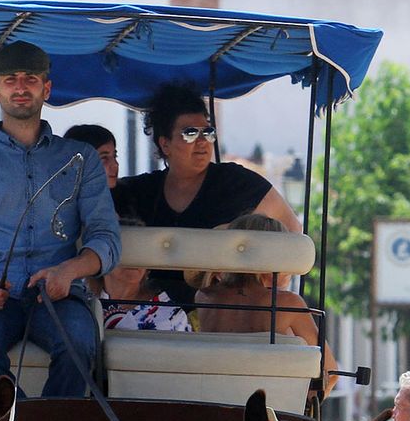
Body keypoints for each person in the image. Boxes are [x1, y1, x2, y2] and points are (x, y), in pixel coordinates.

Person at [0, 41, 120, 397]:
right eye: (10, 79)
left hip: (57, 298)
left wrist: (68, 272)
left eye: (31, 79)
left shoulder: (80, 159)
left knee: (80, 345)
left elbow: (106, 237)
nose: (20, 87)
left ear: (46, 89)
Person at [116, 82, 301, 309]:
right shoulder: (140, 191)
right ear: (165, 144)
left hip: (219, 319)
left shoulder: (235, 182)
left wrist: (264, 292)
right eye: (190, 133)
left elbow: (292, 230)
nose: (203, 141)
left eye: (208, 132)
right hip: (150, 320)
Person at [195, 214, 337, 381]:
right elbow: (330, 371)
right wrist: (306, 404)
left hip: (212, 399)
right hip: (267, 403)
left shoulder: (204, 296)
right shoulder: (289, 304)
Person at [100, 218, 190, 333]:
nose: (134, 259)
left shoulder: (172, 315)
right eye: (125, 250)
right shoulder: (79, 298)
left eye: (140, 252)